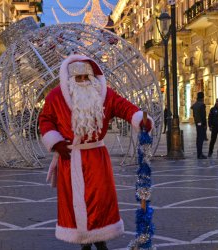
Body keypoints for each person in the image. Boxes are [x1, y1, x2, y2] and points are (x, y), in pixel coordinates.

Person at [38, 55, 153, 250]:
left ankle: (100, 241)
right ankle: (85, 242)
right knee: (76, 204)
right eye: (78, 78)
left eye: (86, 77)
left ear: (92, 77)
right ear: (70, 79)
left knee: (99, 201)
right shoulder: (56, 96)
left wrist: (139, 118)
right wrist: (55, 142)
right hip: (70, 157)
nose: (83, 81)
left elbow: (123, 107)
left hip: (97, 159)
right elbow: (45, 119)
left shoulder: (104, 94)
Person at [191, 92, 207, 159]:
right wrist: (205, 124)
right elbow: (203, 116)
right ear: (202, 97)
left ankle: (199, 153)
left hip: (197, 123)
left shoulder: (195, 105)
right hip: (201, 123)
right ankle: (200, 154)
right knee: (201, 139)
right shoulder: (202, 105)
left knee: (198, 138)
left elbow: (194, 115)